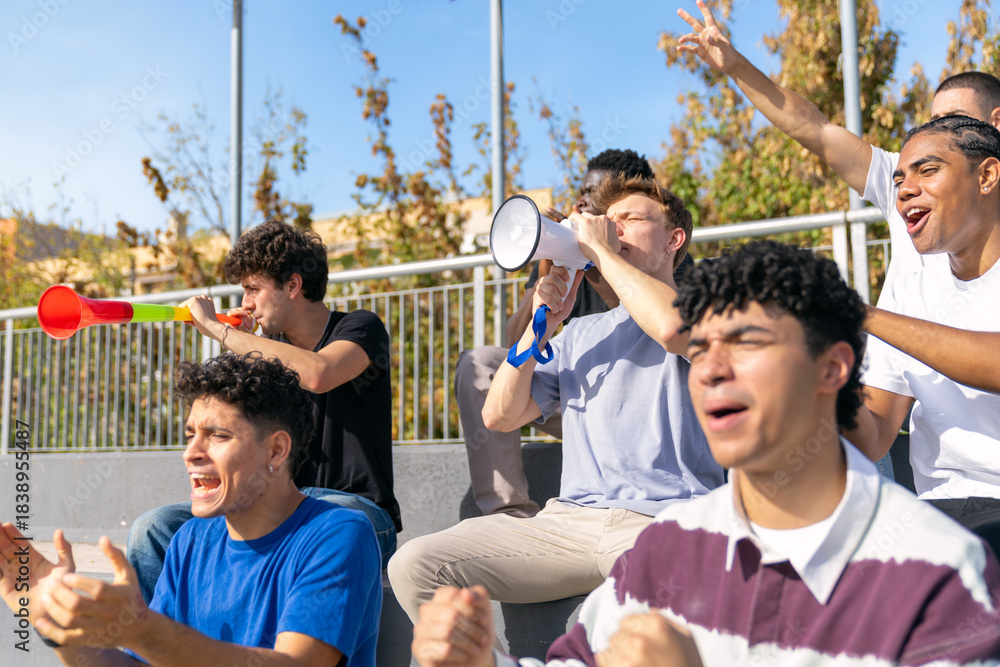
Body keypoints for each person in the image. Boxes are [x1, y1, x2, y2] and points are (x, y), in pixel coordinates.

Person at [411, 241, 1000, 667]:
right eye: (703, 347)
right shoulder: (667, 553)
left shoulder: (936, 569)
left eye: (746, 341)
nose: (713, 369)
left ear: (833, 367)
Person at [388, 174, 724, 624]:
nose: (613, 228)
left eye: (629, 219)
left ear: (673, 239)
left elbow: (671, 330)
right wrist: (539, 327)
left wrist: (602, 250)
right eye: (609, 221)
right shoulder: (581, 332)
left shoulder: (706, 306)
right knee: (415, 564)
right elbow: (499, 415)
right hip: (568, 525)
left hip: (664, 522)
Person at [0, 353, 382, 666]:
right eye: (190, 435)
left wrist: (144, 629)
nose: (191, 453)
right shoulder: (189, 539)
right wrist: (50, 621)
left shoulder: (338, 533)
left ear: (277, 451)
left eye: (217, 435)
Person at [127, 220, 399, 603]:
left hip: (353, 509)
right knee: (152, 529)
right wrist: (247, 350)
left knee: (334, 521)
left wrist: (220, 332)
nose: (247, 302)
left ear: (292, 286)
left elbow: (320, 373)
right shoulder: (261, 350)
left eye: (253, 289)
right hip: (270, 505)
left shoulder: (360, 326)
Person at [674, 0, 1000, 290]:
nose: (939, 128)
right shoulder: (902, 177)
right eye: (933, 119)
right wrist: (734, 65)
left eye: (955, 117)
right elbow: (815, 129)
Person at [458, 149, 657, 518]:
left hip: (634, 403)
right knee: (481, 362)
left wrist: (599, 260)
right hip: (575, 400)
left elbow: (641, 324)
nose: (580, 200)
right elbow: (512, 340)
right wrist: (548, 266)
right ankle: (509, 514)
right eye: (581, 190)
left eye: (593, 193)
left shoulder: (650, 247)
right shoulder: (563, 253)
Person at [844, 115, 1000, 555]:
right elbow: (874, 433)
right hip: (937, 514)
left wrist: (857, 313)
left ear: (987, 175)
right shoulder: (909, 288)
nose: (905, 190)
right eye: (899, 180)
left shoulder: (885, 316)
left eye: (927, 170)